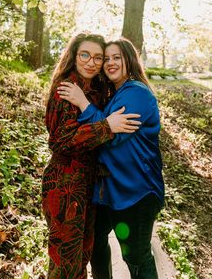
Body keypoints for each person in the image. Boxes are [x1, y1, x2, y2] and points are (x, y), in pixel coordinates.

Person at [58, 38, 165, 279]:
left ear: (130, 60)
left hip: (135, 193)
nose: (110, 62)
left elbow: (112, 137)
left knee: (136, 256)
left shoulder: (136, 93)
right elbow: (106, 127)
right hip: (108, 192)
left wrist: (83, 103)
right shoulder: (112, 94)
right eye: (106, 58)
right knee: (95, 244)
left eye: (117, 57)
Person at [42, 33, 141, 279]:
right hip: (64, 185)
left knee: (82, 256)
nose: (91, 62)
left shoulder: (96, 89)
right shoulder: (65, 88)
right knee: (66, 262)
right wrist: (106, 126)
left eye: (98, 57)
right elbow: (60, 141)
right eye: (85, 54)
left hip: (88, 185)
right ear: (74, 56)